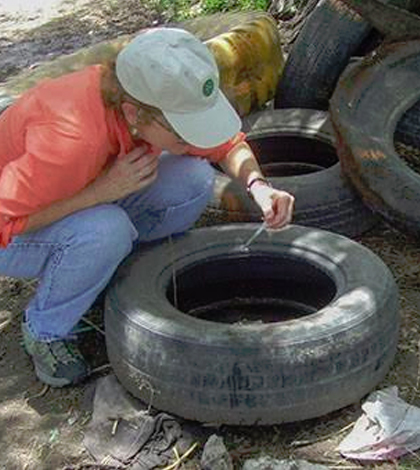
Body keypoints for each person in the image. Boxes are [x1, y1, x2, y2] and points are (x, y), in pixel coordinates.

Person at [0, 27, 295, 387]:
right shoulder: (70, 139)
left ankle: (104, 275)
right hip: (14, 227)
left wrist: (259, 186)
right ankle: (46, 330)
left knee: (192, 177)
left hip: (78, 188)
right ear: (134, 113)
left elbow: (226, 145)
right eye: (183, 133)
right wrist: (99, 193)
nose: (193, 140)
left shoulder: (145, 95)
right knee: (105, 230)